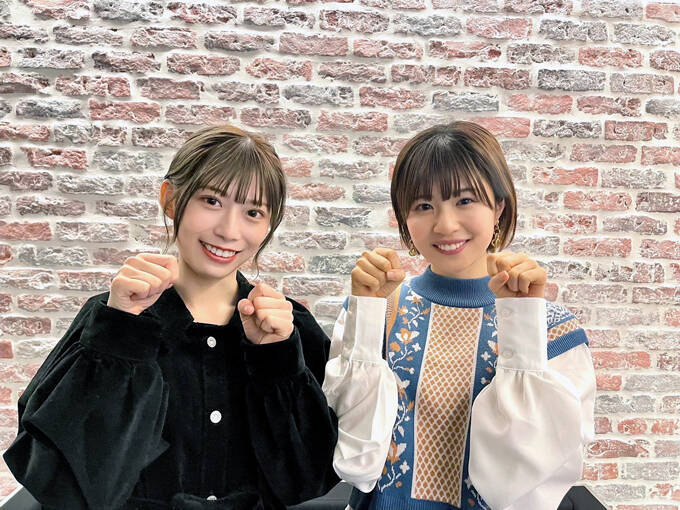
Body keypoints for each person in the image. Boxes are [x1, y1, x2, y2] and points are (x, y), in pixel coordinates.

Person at [4, 125, 340, 509]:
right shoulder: (115, 320)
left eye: (253, 212)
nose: (229, 231)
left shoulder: (288, 328)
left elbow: (310, 479)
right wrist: (119, 337)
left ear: (269, 224)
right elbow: (54, 477)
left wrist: (277, 360)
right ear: (171, 200)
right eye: (211, 201)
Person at [323, 121, 596, 510]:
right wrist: (366, 315)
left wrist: (522, 323)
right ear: (404, 219)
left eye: (465, 201)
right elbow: (356, 463)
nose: (445, 224)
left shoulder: (553, 329)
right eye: (423, 206)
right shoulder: (379, 307)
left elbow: (526, 486)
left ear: (498, 207)